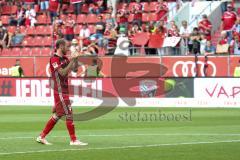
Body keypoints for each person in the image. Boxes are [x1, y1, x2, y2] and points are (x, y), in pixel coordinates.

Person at [36, 39, 88, 146]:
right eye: (66, 46)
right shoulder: (54, 59)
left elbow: (73, 69)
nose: (67, 48)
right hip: (59, 90)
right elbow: (63, 73)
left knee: (58, 115)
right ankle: (73, 140)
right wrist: (72, 59)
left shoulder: (64, 58)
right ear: (60, 46)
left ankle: (41, 136)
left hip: (64, 90)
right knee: (69, 113)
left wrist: (75, 59)